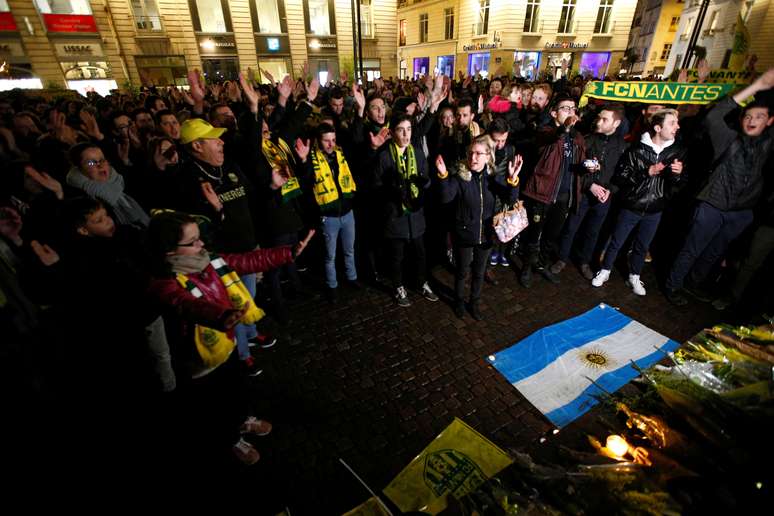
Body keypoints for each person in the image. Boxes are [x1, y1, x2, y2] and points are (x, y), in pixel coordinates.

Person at [147, 211, 307, 466]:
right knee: (215, 405)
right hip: (199, 360)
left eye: (199, 238)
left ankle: (243, 420)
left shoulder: (207, 260)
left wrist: (288, 253)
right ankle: (231, 439)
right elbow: (185, 304)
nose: (201, 245)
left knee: (235, 389)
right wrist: (220, 316)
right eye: (193, 241)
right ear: (168, 251)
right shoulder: (163, 282)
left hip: (226, 342)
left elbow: (246, 261)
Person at [664, 69, 774, 306]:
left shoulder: (768, 144)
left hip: (741, 212)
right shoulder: (728, 138)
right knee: (692, 248)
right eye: (748, 116)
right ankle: (673, 285)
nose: (752, 120)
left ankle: (693, 284)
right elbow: (714, 117)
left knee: (714, 252)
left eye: (759, 117)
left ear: (770, 121)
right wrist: (756, 86)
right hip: (712, 204)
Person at [592, 109, 685, 295]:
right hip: (632, 206)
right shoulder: (636, 149)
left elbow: (678, 186)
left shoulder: (677, 152)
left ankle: (634, 276)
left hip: (655, 209)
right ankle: (605, 270)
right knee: (617, 241)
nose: (678, 126)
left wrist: (678, 175)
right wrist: (646, 172)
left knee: (643, 246)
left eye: (677, 122)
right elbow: (620, 178)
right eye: (672, 123)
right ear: (658, 128)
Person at [436, 135, 522, 320]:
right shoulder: (460, 177)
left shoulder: (493, 177)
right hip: (464, 235)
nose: (473, 158)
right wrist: (443, 176)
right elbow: (446, 198)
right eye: (471, 153)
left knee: (479, 272)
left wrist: (513, 179)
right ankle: (458, 301)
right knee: (462, 271)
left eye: (478, 154)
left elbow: (511, 199)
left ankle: (474, 302)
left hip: (486, 235)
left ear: (488, 156)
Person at [551, 104, 627, 280]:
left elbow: (622, 173)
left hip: (603, 198)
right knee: (571, 227)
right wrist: (589, 184)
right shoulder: (588, 139)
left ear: (616, 123)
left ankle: (584, 262)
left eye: (604, 119)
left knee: (593, 231)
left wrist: (610, 190)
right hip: (584, 193)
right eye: (599, 117)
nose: (599, 121)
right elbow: (576, 167)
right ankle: (562, 259)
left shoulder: (622, 146)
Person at [520, 94, 586, 287]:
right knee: (534, 234)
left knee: (551, 236)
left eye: (573, 109)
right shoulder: (546, 131)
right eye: (565, 108)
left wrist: (588, 167)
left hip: (565, 196)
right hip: (543, 194)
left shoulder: (578, 138)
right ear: (554, 112)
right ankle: (526, 268)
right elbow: (549, 138)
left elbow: (579, 163)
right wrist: (564, 129)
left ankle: (541, 265)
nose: (570, 112)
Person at [372, 114, 438, 306]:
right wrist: (390, 190)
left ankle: (421, 282)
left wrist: (425, 183)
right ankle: (398, 286)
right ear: (392, 133)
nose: (405, 134)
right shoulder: (384, 156)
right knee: (396, 256)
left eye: (409, 129)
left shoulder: (417, 152)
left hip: (415, 214)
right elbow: (375, 186)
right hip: (395, 216)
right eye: (401, 130)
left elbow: (426, 178)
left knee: (420, 253)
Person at [296, 123, 359, 303]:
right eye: (327, 141)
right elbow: (306, 180)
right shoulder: (311, 159)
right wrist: (302, 161)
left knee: (349, 250)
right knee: (329, 256)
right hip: (329, 217)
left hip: (347, 213)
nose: (331, 144)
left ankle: (352, 277)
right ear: (318, 141)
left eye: (333, 140)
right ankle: (332, 286)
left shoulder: (341, 154)